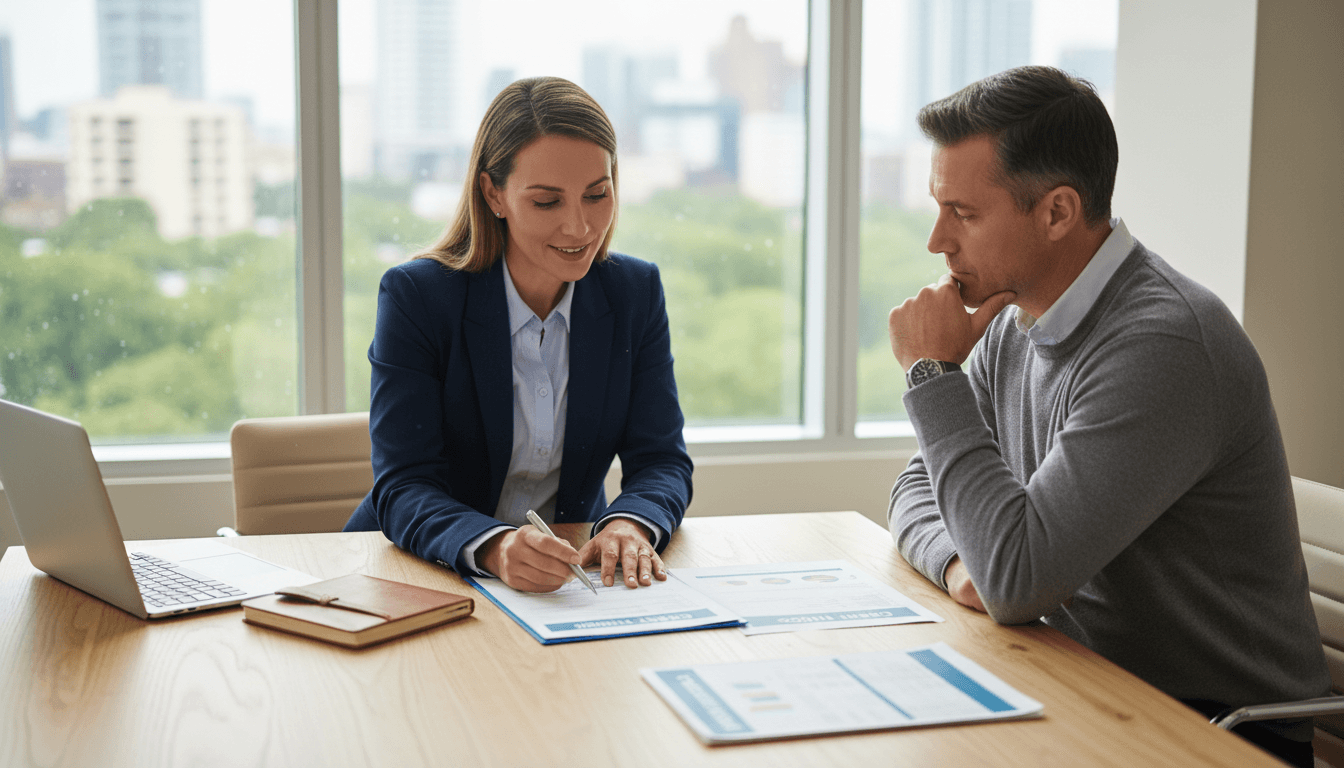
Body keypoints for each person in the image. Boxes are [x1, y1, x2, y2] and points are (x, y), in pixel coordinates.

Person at [886, 66, 1330, 767]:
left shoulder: (1164, 345)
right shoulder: (1013, 319)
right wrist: (958, 564)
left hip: (1215, 731)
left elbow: (1016, 577)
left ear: (1057, 212)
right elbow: (917, 488)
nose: (938, 240)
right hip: (1076, 681)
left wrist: (931, 375)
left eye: (963, 213)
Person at [344, 76, 692, 594]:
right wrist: (494, 545)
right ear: (494, 194)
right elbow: (403, 485)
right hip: (420, 576)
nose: (579, 228)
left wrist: (630, 523)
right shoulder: (418, 297)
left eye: (597, 194)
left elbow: (661, 459)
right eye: (547, 202)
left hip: (569, 583)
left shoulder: (634, 293)